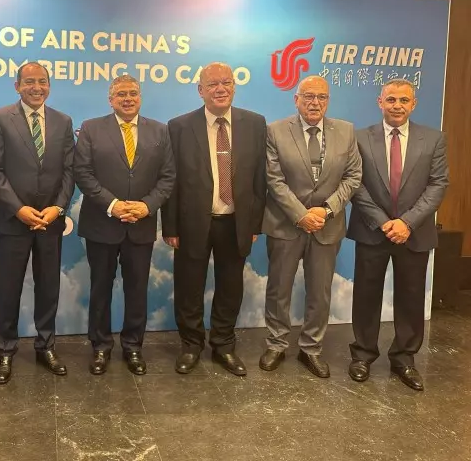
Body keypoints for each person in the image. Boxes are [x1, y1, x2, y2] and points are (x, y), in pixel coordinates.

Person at [162, 62, 266, 376]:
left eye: (226, 82)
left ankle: (223, 344)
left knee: (231, 286)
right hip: (192, 222)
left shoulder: (254, 123)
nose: (220, 89)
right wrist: (170, 226)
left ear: (234, 86)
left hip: (235, 221)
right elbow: (171, 180)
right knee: (188, 286)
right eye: (212, 84)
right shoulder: (179, 126)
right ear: (200, 90)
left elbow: (259, 179)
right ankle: (191, 344)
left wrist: (254, 224)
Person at [347, 79, 448, 391]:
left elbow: (438, 185)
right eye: (391, 99)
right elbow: (355, 184)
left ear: (413, 104)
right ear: (380, 102)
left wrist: (407, 223)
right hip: (371, 231)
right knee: (366, 295)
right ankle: (362, 355)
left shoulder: (433, 139)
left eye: (404, 100)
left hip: (414, 233)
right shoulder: (359, 138)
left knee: (411, 297)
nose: (397, 106)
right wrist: (383, 222)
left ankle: (404, 358)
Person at [260, 75, 361, 378]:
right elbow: (273, 180)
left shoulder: (346, 131)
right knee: (279, 289)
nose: (315, 103)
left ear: (328, 101)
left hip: (327, 227)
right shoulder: (275, 131)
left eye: (321, 97)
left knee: (320, 292)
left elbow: (353, 177)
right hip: (285, 225)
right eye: (308, 96)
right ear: (296, 100)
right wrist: (300, 214)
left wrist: (326, 210)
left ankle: (311, 348)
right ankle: (276, 344)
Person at [74, 75, 175, 375]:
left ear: (140, 97)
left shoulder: (160, 130)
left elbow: (168, 176)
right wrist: (113, 205)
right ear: (111, 100)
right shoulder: (91, 128)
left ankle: (133, 346)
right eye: (121, 94)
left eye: (133, 93)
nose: (127, 99)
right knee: (100, 289)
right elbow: (83, 173)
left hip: (141, 225)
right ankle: (100, 347)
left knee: (137, 290)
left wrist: (146, 206)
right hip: (101, 224)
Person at [0, 62, 75, 384]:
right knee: (9, 288)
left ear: (49, 85)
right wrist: (19, 209)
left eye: (42, 81)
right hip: (13, 220)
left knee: (49, 287)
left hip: (50, 220)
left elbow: (69, 171)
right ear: (17, 85)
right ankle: (5, 349)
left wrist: (58, 208)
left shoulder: (63, 121)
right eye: (29, 82)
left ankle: (45, 345)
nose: (37, 87)